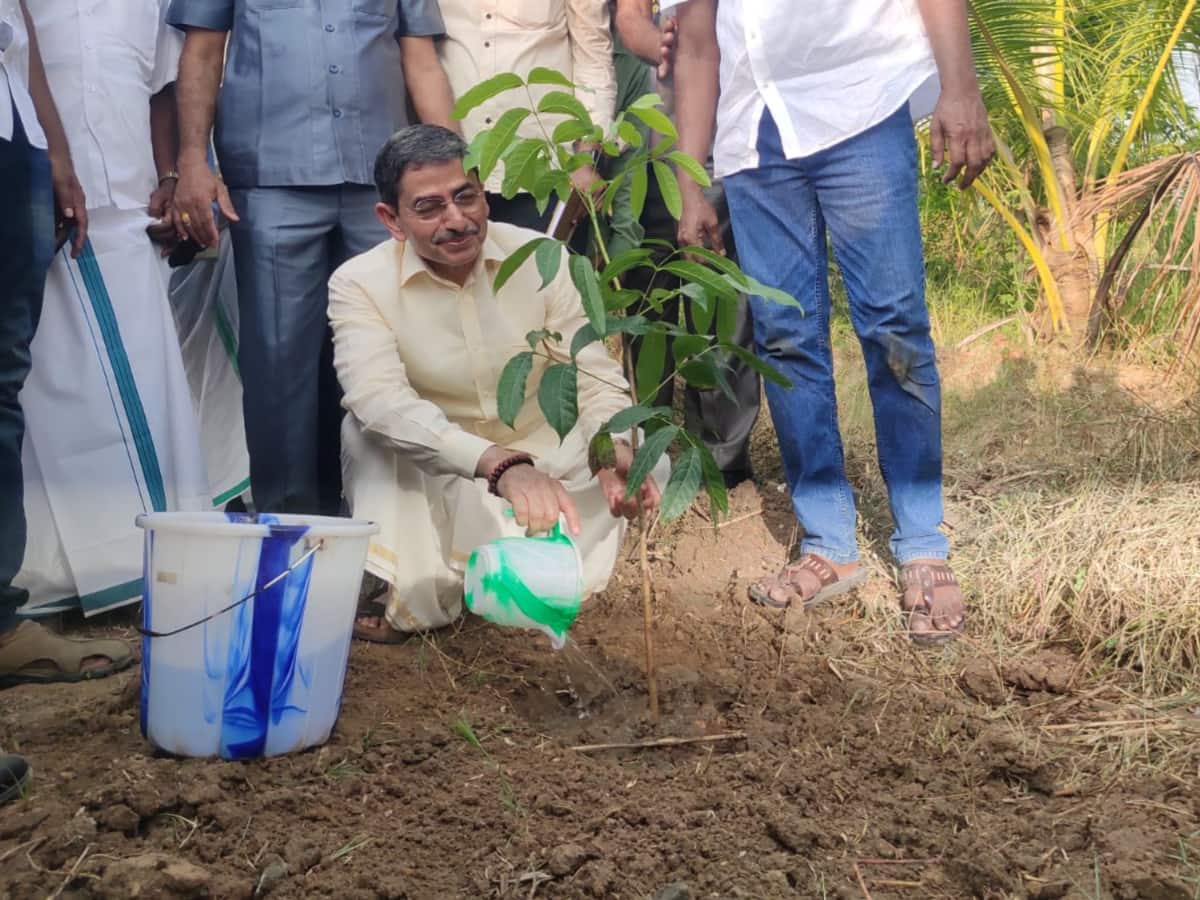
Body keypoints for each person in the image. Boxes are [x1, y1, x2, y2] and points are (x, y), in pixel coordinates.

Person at [670, 0, 994, 642]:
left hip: (860, 106)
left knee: (894, 326)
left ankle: (923, 541)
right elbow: (698, 42)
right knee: (785, 337)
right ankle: (829, 540)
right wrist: (689, 183)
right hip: (752, 132)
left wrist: (961, 89)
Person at [329, 125, 668, 642]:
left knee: (650, 451)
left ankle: (528, 569)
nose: (457, 220)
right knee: (363, 432)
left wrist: (609, 448)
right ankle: (425, 585)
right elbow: (379, 401)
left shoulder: (542, 257)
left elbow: (594, 376)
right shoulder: (358, 284)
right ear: (391, 221)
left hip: (551, 462)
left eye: (466, 197)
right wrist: (500, 465)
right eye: (430, 208)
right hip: (448, 467)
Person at [168, 0, 458, 517]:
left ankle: (384, 530)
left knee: (389, 350)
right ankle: (291, 531)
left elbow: (421, 60)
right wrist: (192, 159)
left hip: (380, 181)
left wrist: (456, 170)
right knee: (280, 364)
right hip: (271, 177)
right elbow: (203, 51)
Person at [13, 0, 219, 620]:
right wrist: (49, 169)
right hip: (43, 202)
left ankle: (164, 553)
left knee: (148, 384)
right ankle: (59, 574)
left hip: (129, 205)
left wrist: (168, 172)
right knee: (53, 394)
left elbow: (160, 87)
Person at [1, 0, 131, 695]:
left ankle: (0, 625)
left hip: (12, 136)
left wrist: (53, 150)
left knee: (2, 379)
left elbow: (20, 38)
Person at [612, 0, 759, 488]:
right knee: (648, 289)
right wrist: (662, 42)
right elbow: (630, 17)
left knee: (718, 292)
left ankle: (720, 458)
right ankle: (650, 446)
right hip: (649, 131)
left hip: (722, 131)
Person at [435, 0, 617, 231]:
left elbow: (594, 60)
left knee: (546, 266)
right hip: (453, 172)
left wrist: (587, 158)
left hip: (546, 173)